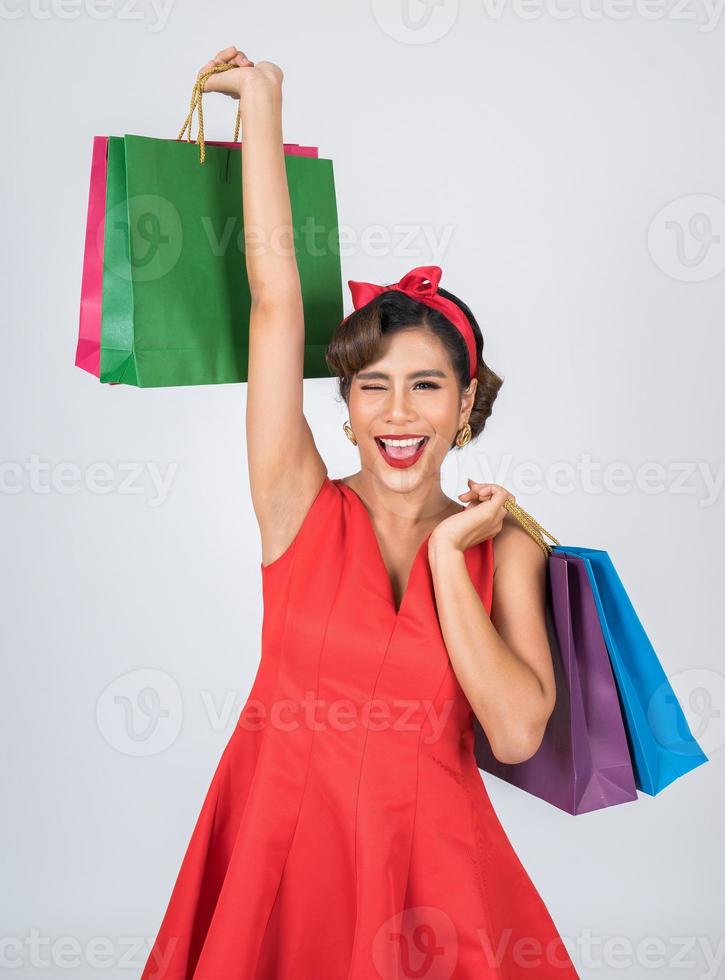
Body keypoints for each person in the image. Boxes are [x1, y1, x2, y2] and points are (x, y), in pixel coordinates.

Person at [140, 45, 579, 980]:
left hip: (430, 875)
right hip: (280, 844)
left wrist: (453, 554)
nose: (396, 412)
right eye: (371, 388)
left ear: (465, 405)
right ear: (343, 407)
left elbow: (513, 732)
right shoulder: (295, 503)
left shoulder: (503, 553)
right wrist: (263, 109)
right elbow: (273, 306)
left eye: (425, 387)